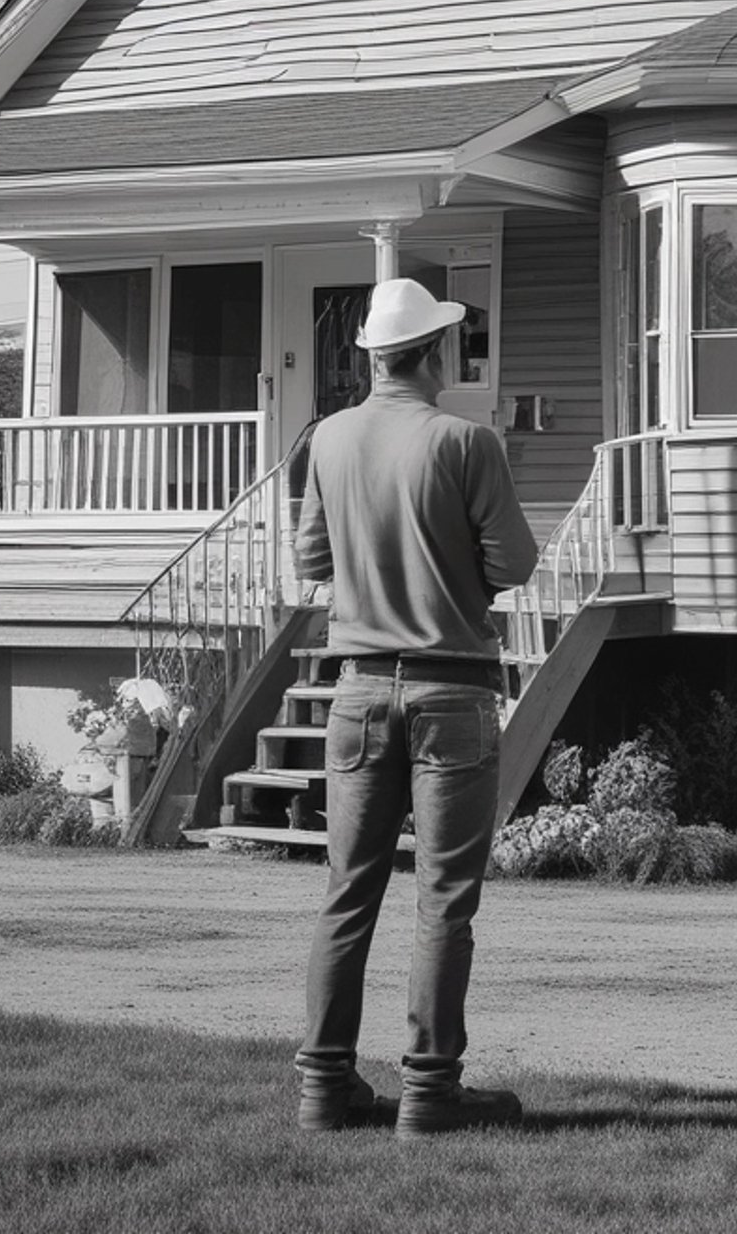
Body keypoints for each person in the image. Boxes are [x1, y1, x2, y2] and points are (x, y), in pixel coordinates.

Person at [293, 276, 541, 1137]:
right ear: (434, 353)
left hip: (359, 690)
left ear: (374, 356)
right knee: (443, 898)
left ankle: (325, 1087)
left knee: (347, 891)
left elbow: (313, 560)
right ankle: (430, 1091)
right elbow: (514, 564)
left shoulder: (329, 437)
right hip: (452, 689)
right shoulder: (466, 442)